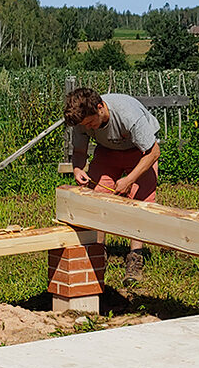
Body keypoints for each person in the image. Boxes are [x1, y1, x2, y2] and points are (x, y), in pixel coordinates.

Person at [64, 87, 160, 285]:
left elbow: (153, 152)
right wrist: (77, 169)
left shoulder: (127, 114)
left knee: (140, 202)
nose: (88, 128)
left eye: (91, 123)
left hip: (141, 151)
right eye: (85, 125)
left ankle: (135, 258)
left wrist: (129, 179)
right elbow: (80, 150)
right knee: (97, 199)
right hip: (107, 151)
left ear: (100, 108)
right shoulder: (82, 120)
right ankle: (98, 254)